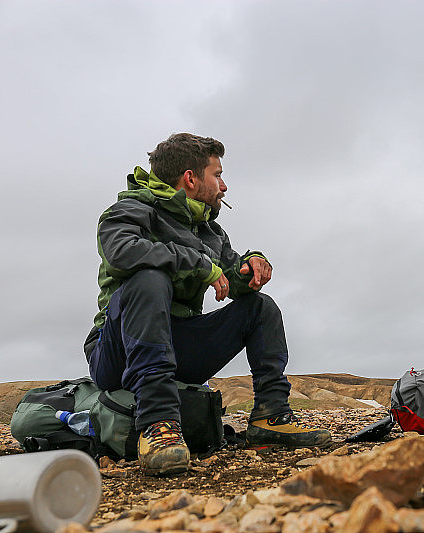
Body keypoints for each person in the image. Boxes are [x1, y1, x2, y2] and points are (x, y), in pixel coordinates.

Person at [84, 133, 330, 475]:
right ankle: (157, 426)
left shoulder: (208, 231)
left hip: (176, 347)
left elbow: (230, 275)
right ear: (190, 178)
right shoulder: (128, 211)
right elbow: (121, 252)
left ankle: (270, 418)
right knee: (149, 278)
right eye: (217, 175)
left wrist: (252, 265)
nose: (224, 186)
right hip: (117, 352)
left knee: (261, 308)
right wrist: (198, 264)